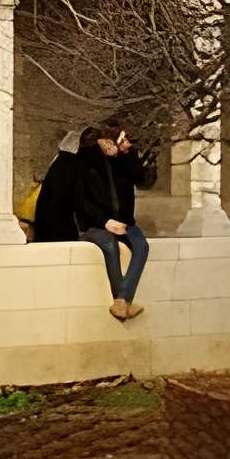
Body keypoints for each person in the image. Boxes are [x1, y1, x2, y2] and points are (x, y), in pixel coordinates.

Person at [32, 122, 148, 320]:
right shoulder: (85, 162)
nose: (125, 144)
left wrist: (127, 153)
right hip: (90, 225)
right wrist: (105, 222)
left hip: (124, 223)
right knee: (109, 245)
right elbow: (81, 200)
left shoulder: (122, 161)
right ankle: (122, 299)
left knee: (141, 246)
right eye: (121, 139)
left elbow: (142, 178)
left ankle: (122, 300)